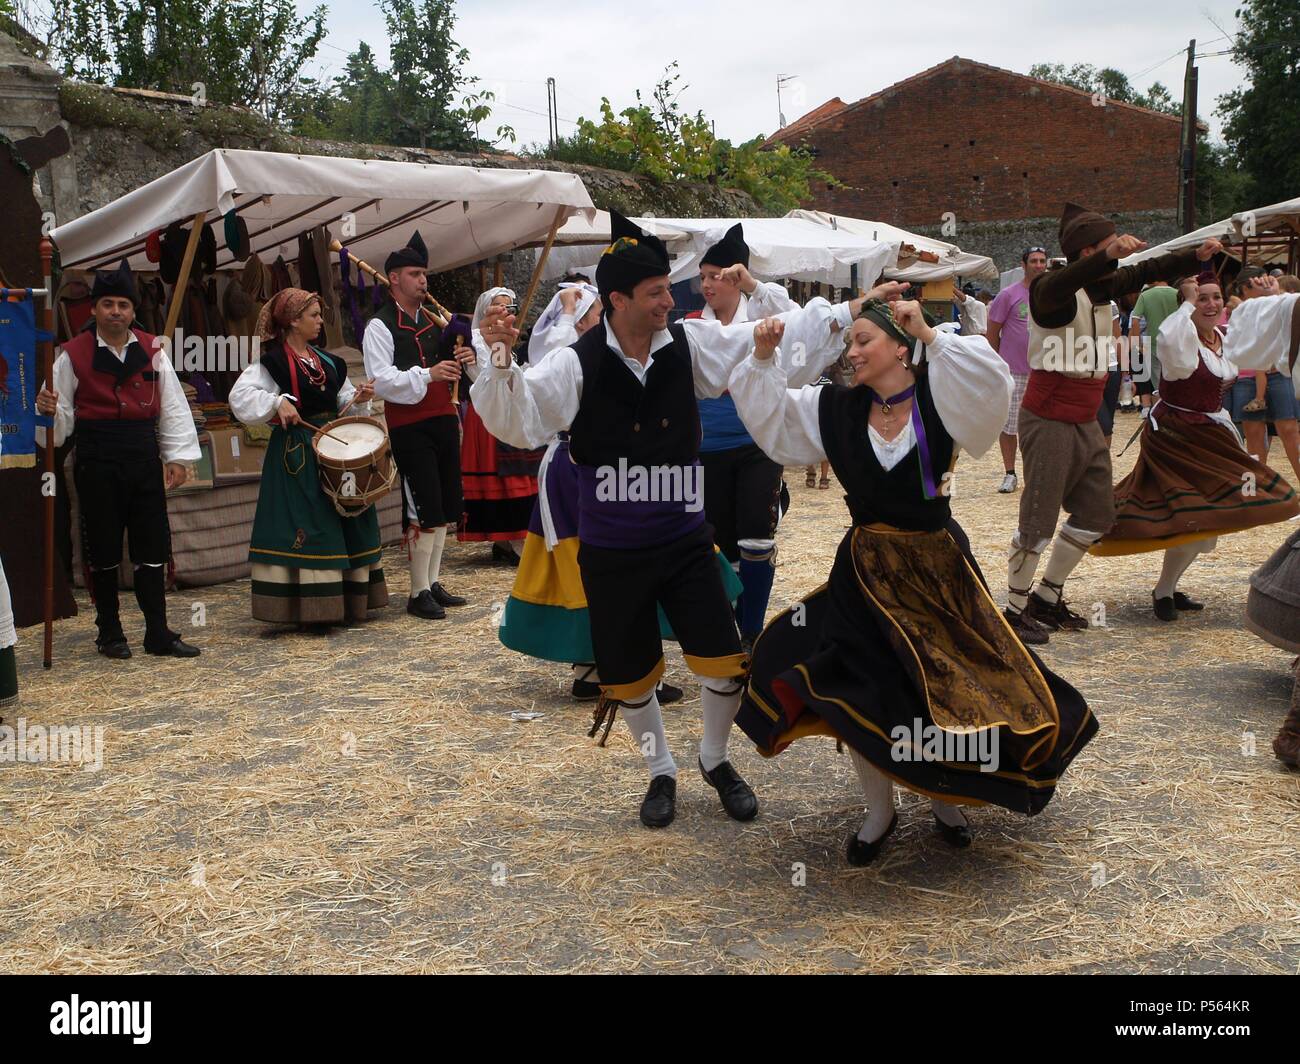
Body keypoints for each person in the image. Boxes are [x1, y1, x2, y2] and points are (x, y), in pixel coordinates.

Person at [471, 212, 865, 830]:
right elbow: (518, 418)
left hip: (685, 540)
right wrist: (496, 357)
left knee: (724, 661)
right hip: (610, 547)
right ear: (618, 300)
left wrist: (842, 315)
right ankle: (661, 769)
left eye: (667, 289)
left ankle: (713, 758)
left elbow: (763, 342)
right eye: (655, 292)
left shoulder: (692, 342)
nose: (669, 300)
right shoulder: (575, 364)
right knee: (628, 677)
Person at [729, 301, 1096, 865]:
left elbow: (989, 384)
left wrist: (931, 332)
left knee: (950, 683)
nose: (850, 353)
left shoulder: (942, 395)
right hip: (865, 568)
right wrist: (761, 357)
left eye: (863, 341)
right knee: (861, 684)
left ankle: (945, 796)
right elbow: (771, 416)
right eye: (849, 343)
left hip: (938, 566)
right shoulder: (834, 408)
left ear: (902, 348)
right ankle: (880, 810)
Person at [1003, 203, 1222, 646]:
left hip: (1086, 415)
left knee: (1096, 513)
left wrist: (1196, 256)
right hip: (1049, 415)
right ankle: (1013, 610)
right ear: (1087, 250)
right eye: (1109, 246)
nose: (1118, 256)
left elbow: (1151, 266)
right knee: (1038, 517)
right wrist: (1103, 257)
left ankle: (1047, 596)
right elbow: (1063, 281)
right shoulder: (1051, 289)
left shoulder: (1103, 286)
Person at [492, 282, 697, 704]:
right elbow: (536, 380)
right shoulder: (570, 349)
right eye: (596, 311)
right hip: (580, 470)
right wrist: (565, 314)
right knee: (604, 564)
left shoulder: (612, 346)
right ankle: (615, 668)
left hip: (596, 470)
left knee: (605, 565)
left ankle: (605, 667)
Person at [1093, 275, 1298, 618]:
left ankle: (1167, 588)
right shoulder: (1182, 338)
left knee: (1219, 515)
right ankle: (1163, 592)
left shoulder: (1223, 337)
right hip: (1176, 435)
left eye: (1216, 297)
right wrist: (1185, 301)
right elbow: (1171, 337)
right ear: (1187, 304)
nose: (1212, 304)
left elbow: (1271, 343)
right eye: (1202, 299)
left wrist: (1273, 297)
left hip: (1212, 434)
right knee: (1193, 516)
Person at [36, 260, 200, 660]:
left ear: (132, 311)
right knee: (104, 549)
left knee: (152, 546)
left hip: (143, 458)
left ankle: (157, 633)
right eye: (107, 303)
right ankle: (109, 632)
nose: (115, 311)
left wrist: (176, 457)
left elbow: (173, 408)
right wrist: (47, 410)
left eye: (122, 305)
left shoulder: (153, 351)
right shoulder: (70, 356)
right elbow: (59, 424)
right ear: (93, 309)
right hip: (97, 460)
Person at [228, 288, 387, 625]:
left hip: (334, 447)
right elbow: (239, 398)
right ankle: (313, 609)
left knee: (349, 513)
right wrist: (275, 403)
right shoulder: (270, 363)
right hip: (296, 454)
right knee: (312, 522)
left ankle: (349, 604)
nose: (319, 321)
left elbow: (343, 402)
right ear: (293, 321)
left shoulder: (328, 361)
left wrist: (361, 398)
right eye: (313, 315)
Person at [688, 223, 798, 653]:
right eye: (703, 277)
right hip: (708, 447)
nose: (708, 284)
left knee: (757, 534)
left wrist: (753, 284)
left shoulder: (764, 318)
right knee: (720, 540)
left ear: (737, 277)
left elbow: (792, 315)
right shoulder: (694, 325)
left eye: (717, 275)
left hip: (759, 443)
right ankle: (729, 627)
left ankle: (751, 631)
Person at [362, 230, 471, 621]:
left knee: (443, 504)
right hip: (409, 425)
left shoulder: (432, 320)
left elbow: (457, 368)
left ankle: (434, 581)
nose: (423, 280)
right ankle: (416, 591)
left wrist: (464, 352)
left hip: (443, 418)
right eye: (414, 274)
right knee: (421, 505)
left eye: (424, 273)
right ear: (393, 278)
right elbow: (382, 381)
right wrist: (428, 374)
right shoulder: (380, 325)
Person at [459, 287, 542, 564]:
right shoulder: (472, 343)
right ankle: (510, 541)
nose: (505, 312)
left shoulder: (508, 341)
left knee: (519, 474)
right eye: (497, 306)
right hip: (488, 415)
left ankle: (510, 542)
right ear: (485, 312)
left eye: (509, 307)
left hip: (511, 410)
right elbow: (485, 378)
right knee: (504, 476)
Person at [1222, 267, 1300, 486]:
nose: (1262, 284)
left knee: (1289, 432)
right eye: (1255, 283)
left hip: (1277, 374)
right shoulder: (1235, 309)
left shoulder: (1275, 304)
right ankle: (1255, 488)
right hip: (1248, 377)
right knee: (1254, 436)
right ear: (1245, 288)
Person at [987, 247, 1049, 493]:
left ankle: (1037, 473)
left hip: (1044, 370)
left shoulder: (1052, 295)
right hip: (1015, 371)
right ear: (1023, 265)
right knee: (1009, 425)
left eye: (1042, 261)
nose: (1038, 265)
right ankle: (1010, 473)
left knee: (1041, 426)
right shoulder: (1008, 295)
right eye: (1033, 261)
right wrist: (998, 366)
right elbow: (993, 333)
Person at [1131, 279, 1180, 416]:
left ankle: (1160, 416)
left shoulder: (1145, 295)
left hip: (1153, 345)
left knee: (1158, 387)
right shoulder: (1177, 293)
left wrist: (1138, 345)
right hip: (1175, 345)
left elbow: (1135, 320)